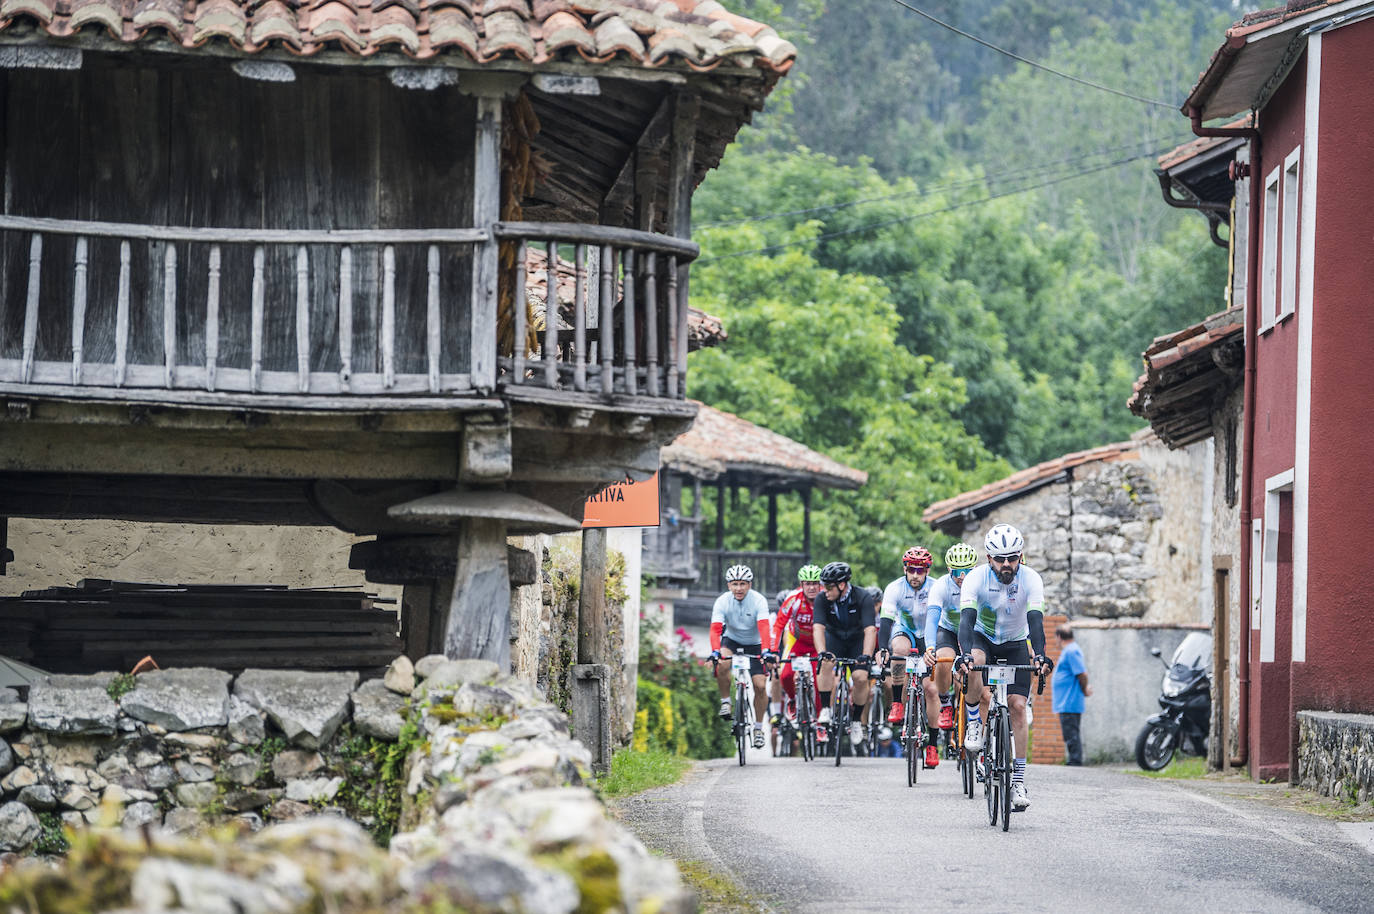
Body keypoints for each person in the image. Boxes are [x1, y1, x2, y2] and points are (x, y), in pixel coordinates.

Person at [957, 523, 1054, 811]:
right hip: (982, 638)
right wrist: (963, 655)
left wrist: (1039, 656)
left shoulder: (1031, 579)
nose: (1007, 564)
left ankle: (1019, 782)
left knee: (1018, 707)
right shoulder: (975, 579)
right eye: (1000, 559)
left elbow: (1036, 622)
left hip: (1014, 643)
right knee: (975, 662)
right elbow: (965, 621)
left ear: (1020, 556)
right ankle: (974, 722)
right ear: (989, 559)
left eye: (1012, 558)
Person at [878, 547, 940, 768]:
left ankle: (932, 745)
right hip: (906, 631)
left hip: (930, 636)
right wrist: (881, 649)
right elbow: (885, 620)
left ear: (927, 571)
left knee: (932, 690)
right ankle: (897, 702)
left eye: (920, 570)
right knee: (898, 649)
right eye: (911, 570)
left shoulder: (935, 587)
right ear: (905, 568)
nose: (915, 575)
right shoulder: (894, 588)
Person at [811, 561, 878, 748]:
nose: (825, 590)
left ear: (842, 585)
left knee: (860, 677)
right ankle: (825, 708)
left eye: (829, 586)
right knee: (825, 663)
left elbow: (870, 630)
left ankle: (856, 721)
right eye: (823, 586)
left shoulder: (862, 597)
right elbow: (818, 628)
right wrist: (821, 652)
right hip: (835, 638)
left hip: (857, 639)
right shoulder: (822, 599)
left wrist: (866, 656)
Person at [708, 564, 774, 750]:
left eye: (743, 584)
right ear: (729, 585)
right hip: (732, 640)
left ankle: (759, 729)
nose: (739, 588)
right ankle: (726, 702)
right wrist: (715, 651)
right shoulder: (722, 601)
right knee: (721, 663)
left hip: (756, 643)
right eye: (735, 584)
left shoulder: (758, 600)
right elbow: (715, 630)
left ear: (749, 584)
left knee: (760, 686)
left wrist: (766, 650)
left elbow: (763, 628)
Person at [922, 542, 980, 743]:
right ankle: (946, 702)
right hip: (948, 630)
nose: (962, 577)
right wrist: (929, 646)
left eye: (967, 571)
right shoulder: (941, 586)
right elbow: (931, 619)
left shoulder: (981, 583)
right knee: (943, 660)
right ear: (949, 569)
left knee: (977, 668)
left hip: (974, 631)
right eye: (957, 571)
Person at [771, 564, 824, 732]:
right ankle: (793, 699)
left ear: (819, 584)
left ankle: (819, 722)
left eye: (814, 583)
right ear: (801, 584)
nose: (811, 587)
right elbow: (779, 625)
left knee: (819, 682)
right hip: (798, 641)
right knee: (785, 675)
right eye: (807, 583)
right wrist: (773, 651)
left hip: (818, 642)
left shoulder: (825, 598)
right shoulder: (793, 599)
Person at [1051, 623, 1092, 766]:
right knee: (1070, 733)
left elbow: (1082, 674)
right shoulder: (1071, 650)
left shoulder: (1071, 651)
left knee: (1071, 733)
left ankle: (1075, 762)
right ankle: (1074, 760)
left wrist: (1085, 688)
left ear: (1059, 637)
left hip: (1069, 701)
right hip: (1066, 701)